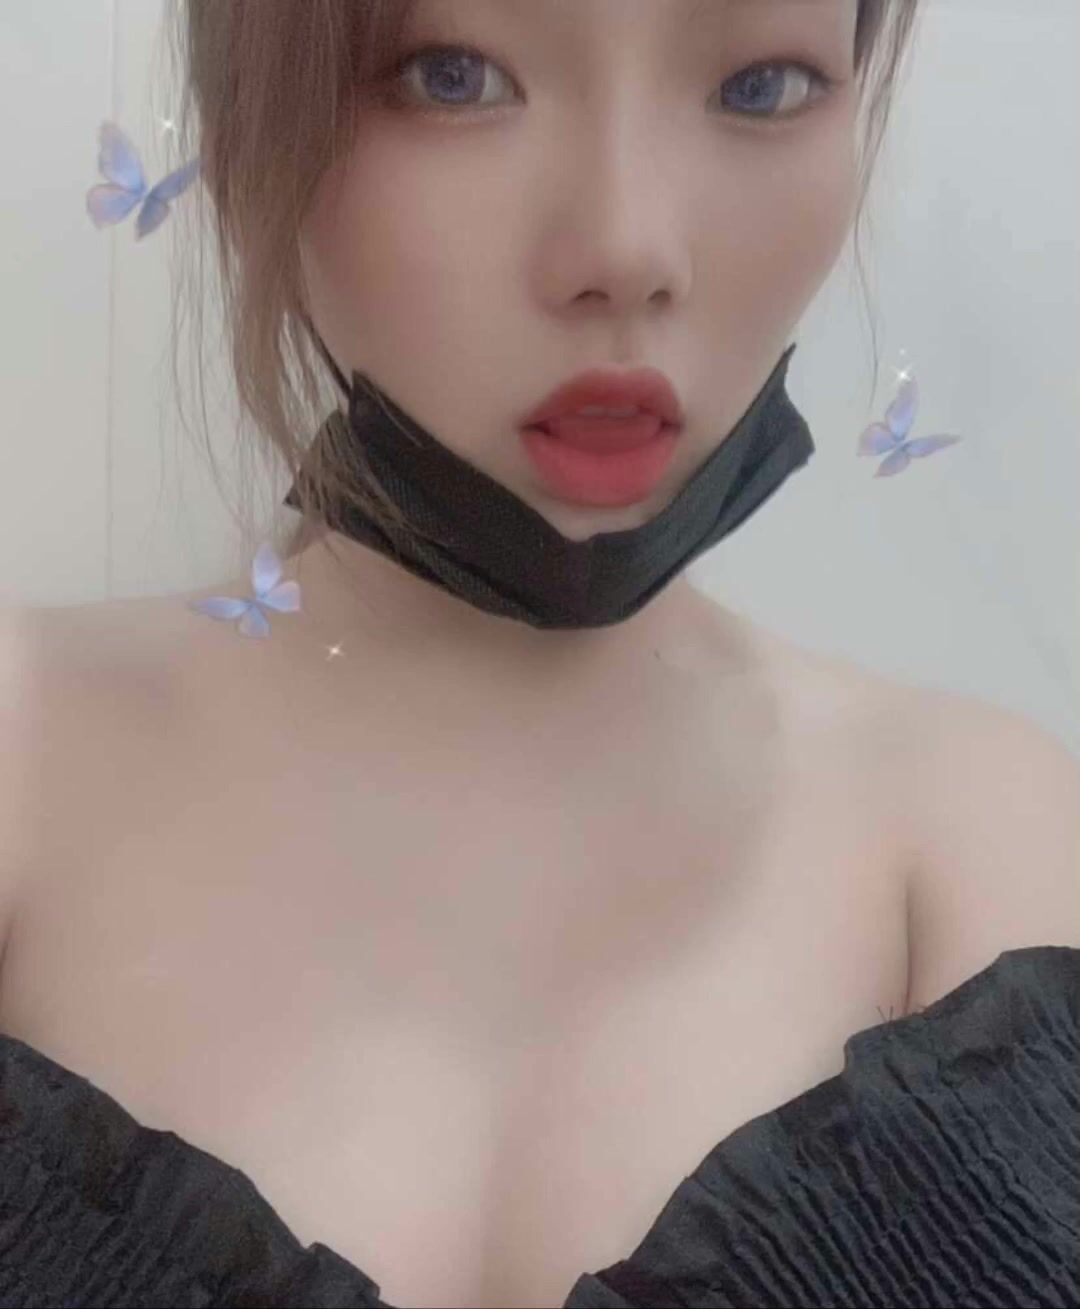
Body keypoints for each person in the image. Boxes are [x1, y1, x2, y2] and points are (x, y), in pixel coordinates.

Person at [1, 3, 1077, 1307]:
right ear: (245, 120)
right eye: (453, 76)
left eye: (761, 87)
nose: (626, 249)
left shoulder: (986, 841)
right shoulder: (24, 752)